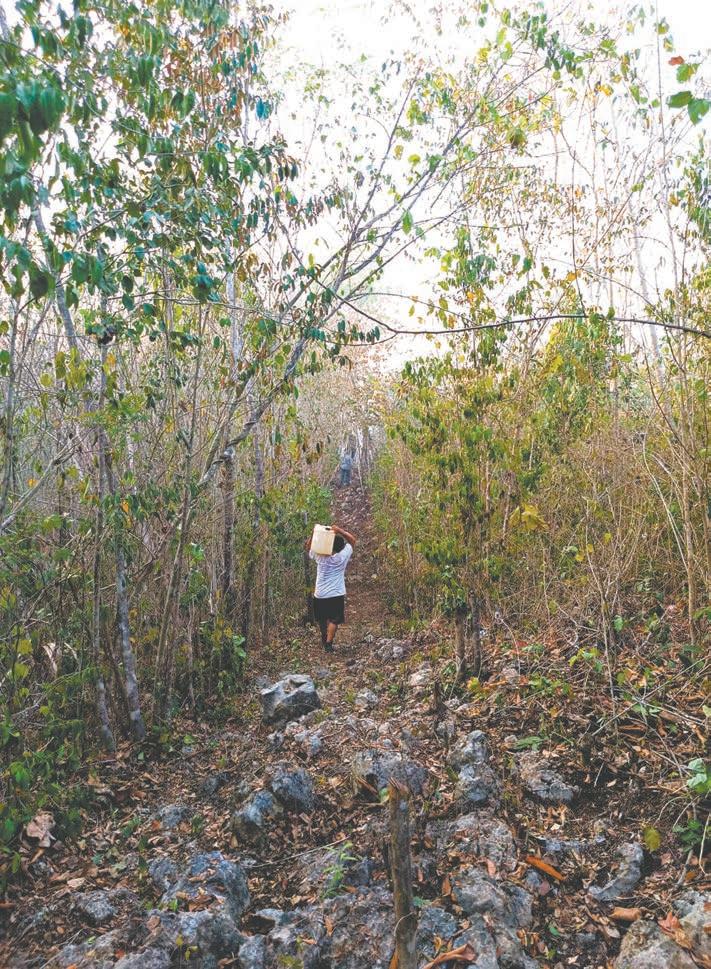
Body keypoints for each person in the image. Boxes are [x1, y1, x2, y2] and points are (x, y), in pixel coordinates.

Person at [305, 524, 356, 652]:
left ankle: (324, 636)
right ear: (341, 548)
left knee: (322, 618)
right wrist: (340, 531)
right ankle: (328, 644)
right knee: (334, 619)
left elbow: (308, 547)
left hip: (320, 594)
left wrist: (314, 533)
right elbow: (352, 541)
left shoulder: (320, 557)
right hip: (335, 594)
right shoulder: (342, 557)